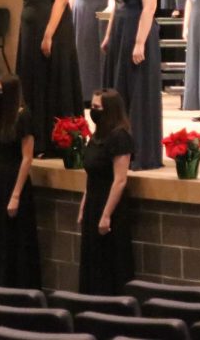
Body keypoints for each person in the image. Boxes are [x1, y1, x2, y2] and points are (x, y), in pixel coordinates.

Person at [17, 0, 83, 156]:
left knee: (51, 82)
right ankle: (36, 139)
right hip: (29, 29)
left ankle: (55, 142)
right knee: (33, 82)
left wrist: (48, 35)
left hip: (51, 29)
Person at [101, 0, 163, 171]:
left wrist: (139, 43)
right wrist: (108, 35)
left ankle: (140, 151)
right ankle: (116, 147)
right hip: (120, 30)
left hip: (139, 30)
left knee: (137, 91)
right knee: (118, 91)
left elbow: (149, 7)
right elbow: (117, 3)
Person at [0, 75, 41, 288]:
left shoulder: (23, 117)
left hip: (15, 180)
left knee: (15, 238)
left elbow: (27, 158)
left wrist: (15, 195)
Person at [78, 89, 134, 295]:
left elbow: (119, 180)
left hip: (110, 207)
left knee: (109, 263)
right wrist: (84, 204)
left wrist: (106, 215)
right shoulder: (96, 136)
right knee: (92, 260)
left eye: (97, 107)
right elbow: (91, 174)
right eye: (92, 106)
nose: (93, 111)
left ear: (109, 110)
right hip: (94, 201)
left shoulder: (120, 136)